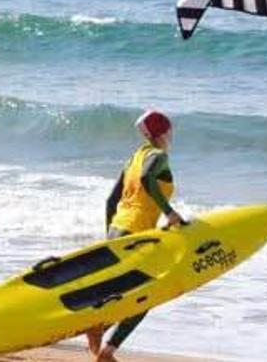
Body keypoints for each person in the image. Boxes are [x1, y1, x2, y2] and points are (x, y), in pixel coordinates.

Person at [86, 110, 185, 362]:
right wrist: (169, 213)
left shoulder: (134, 158)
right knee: (147, 295)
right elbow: (147, 178)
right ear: (163, 132)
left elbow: (111, 200)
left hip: (119, 229)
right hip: (136, 233)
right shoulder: (158, 156)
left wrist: (112, 236)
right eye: (169, 130)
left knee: (128, 292)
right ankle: (106, 348)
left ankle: (101, 328)